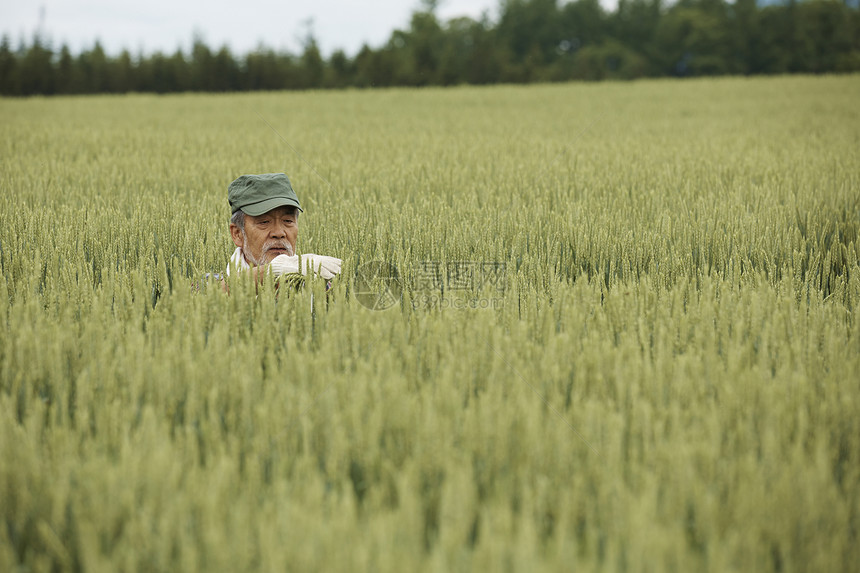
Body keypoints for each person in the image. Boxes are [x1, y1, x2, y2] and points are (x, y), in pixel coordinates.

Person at [224, 173, 341, 289]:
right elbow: (212, 293)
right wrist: (271, 272)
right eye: (264, 222)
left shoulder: (325, 289)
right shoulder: (211, 283)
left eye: (287, 221)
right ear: (237, 234)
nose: (279, 233)